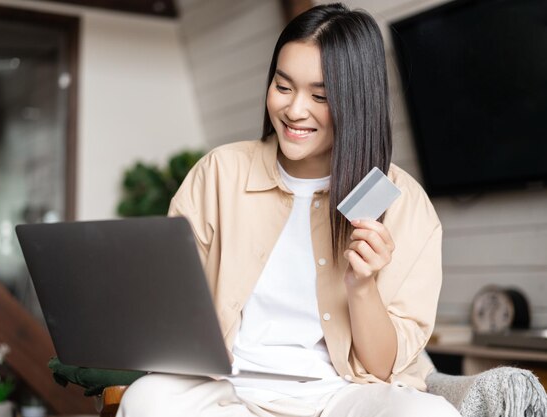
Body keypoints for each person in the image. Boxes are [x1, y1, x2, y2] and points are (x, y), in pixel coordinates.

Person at [117, 3, 461, 416]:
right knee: (145, 400)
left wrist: (363, 286)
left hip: (340, 393)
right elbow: (169, 304)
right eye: (283, 87)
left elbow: (382, 368)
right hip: (226, 388)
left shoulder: (406, 205)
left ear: (357, 103)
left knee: (431, 413)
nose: (295, 110)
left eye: (320, 96)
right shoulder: (220, 173)